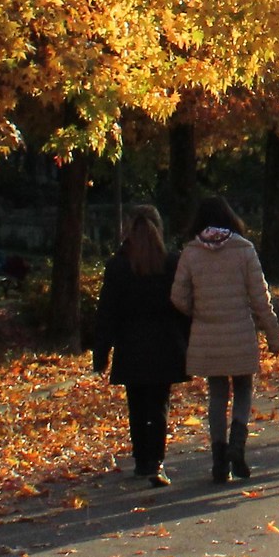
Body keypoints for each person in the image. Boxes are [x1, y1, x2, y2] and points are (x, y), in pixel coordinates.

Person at [171, 194, 279, 484]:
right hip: (240, 331)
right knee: (244, 388)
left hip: (207, 333)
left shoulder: (191, 252)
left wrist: (198, 310)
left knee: (217, 394)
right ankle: (238, 446)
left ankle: (219, 458)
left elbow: (177, 296)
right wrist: (272, 333)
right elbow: (260, 296)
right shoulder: (244, 250)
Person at [89, 205, 189, 486]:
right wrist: (188, 343)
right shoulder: (170, 263)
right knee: (158, 406)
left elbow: (107, 312)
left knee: (137, 405)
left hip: (130, 345)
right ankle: (156, 461)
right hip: (164, 344)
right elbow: (183, 307)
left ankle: (141, 460)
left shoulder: (118, 266)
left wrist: (101, 352)